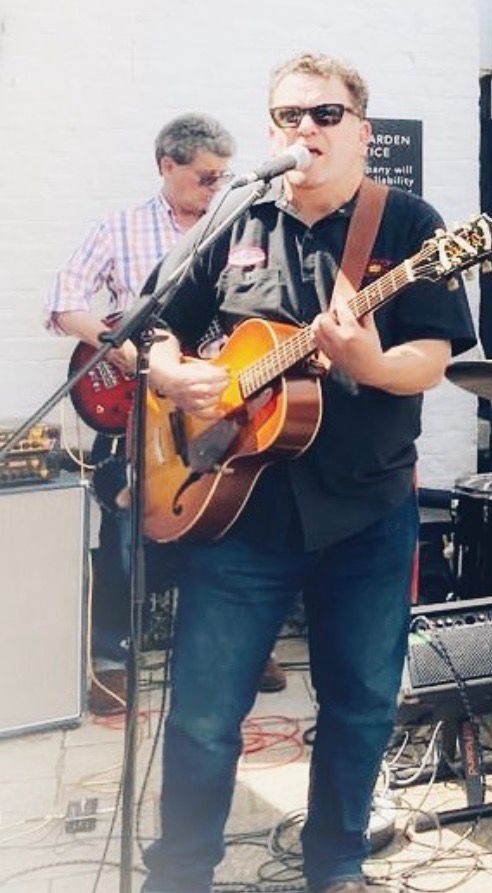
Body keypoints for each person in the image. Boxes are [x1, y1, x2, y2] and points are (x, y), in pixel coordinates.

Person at [139, 53, 476, 893]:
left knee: (360, 706)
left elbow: (431, 358)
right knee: (207, 717)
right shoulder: (237, 215)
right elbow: (151, 325)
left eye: (327, 115)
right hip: (235, 511)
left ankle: (336, 866)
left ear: (363, 131)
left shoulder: (409, 225)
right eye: (291, 115)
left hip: (366, 509)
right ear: (272, 131)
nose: (307, 130)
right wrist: (172, 374)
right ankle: (179, 874)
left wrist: (370, 357)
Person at [40, 113, 267, 715]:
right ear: (167, 166)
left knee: (229, 514)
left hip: (210, 399)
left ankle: (238, 646)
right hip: (139, 400)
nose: (215, 189)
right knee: (124, 524)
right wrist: (128, 350)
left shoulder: (241, 230)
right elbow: (63, 303)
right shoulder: (119, 228)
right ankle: (112, 659)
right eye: (203, 178)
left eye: (223, 178)